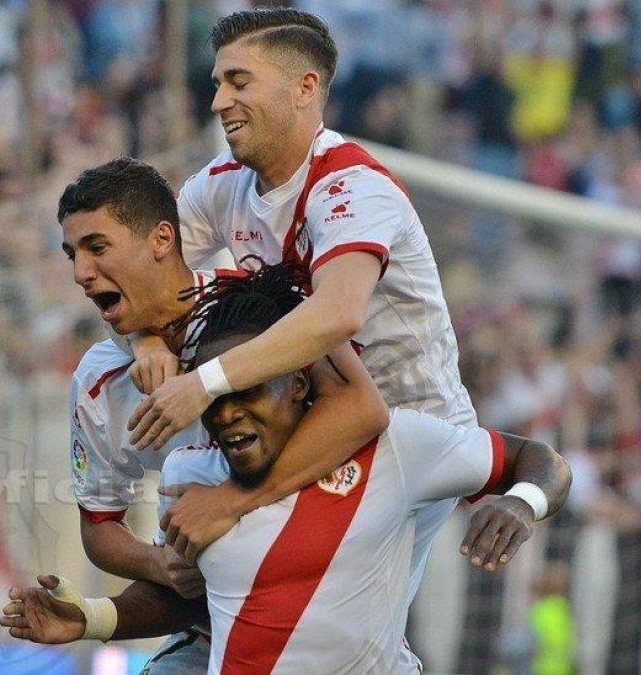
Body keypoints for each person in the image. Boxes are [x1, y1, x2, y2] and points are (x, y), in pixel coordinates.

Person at [1, 261, 573, 673]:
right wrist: (91, 619)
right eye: (212, 398)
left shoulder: (395, 447)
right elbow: (202, 599)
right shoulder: (191, 475)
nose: (227, 414)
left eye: (246, 390)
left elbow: (539, 460)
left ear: (299, 380)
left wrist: (524, 502)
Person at [123, 10, 484, 615]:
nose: (218, 101)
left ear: (305, 89)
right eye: (217, 84)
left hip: (403, 437)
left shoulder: (354, 188)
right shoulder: (221, 185)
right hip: (302, 418)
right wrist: (148, 343)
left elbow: (336, 314)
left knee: (319, 624)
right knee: (247, 603)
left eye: (239, 82)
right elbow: (143, 278)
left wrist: (202, 383)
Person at [56, 158, 389, 671]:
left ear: (162, 240)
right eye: (72, 254)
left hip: (328, 611)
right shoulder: (98, 383)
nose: (80, 273)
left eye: (97, 248)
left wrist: (230, 501)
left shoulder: (254, 304)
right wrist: (160, 564)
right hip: (209, 626)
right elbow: (99, 525)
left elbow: (362, 407)